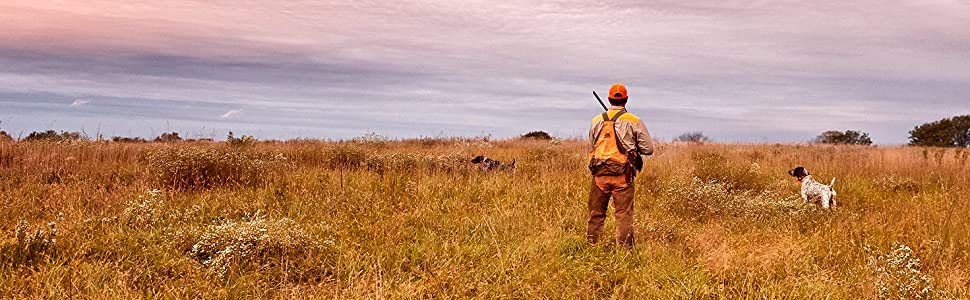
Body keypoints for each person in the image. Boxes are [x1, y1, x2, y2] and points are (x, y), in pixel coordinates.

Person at [587, 83, 654, 249]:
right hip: (623, 176)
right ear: (626, 100)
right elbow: (649, 149)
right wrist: (633, 147)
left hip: (599, 175)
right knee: (623, 215)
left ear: (610, 99)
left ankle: (592, 249)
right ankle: (624, 254)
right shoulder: (634, 120)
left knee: (596, 215)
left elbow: (592, 145)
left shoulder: (596, 120)